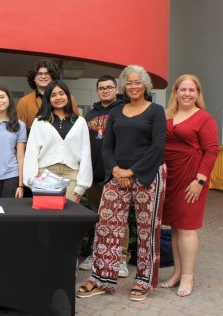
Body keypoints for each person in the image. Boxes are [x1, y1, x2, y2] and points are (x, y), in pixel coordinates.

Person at [77, 65, 166, 301]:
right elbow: (107, 146)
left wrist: (132, 171)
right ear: (123, 86)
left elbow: (158, 147)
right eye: (129, 82)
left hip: (147, 176)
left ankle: (143, 282)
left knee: (147, 231)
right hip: (117, 175)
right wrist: (117, 170)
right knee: (106, 226)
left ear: (145, 85)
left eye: (138, 82)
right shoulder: (116, 112)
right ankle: (100, 280)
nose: (134, 86)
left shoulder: (156, 111)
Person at [159, 74, 219, 297]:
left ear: (198, 94)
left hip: (192, 178)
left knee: (186, 227)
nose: (187, 93)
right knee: (175, 227)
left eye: (191, 90)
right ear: (175, 92)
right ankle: (177, 272)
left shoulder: (204, 118)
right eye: (182, 89)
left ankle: (188, 275)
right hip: (171, 176)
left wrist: (200, 180)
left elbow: (212, 150)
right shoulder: (168, 115)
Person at [79, 75, 130, 278]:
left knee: (119, 218)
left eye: (109, 87)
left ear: (116, 89)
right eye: (102, 88)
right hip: (95, 175)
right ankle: (98, 254)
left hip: (116, 174)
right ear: (97, 90)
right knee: (98, 217)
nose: (106, 91)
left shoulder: (124, 111)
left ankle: (121, 259)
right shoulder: (90, 114)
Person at [23, 80, 92, 202]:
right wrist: (31, 181)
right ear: (48, 99)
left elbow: (86, 153)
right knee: (47, 216)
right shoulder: (39, 122)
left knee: (68, 216)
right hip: (45, 175)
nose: (58, 97)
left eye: (61, 93)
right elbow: (31, 152)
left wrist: (82, 185)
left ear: (68, 96)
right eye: (53, 95)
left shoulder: (80, 122)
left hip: (71, 176)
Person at [17, 59, 79, 131]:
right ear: (33, 78)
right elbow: (20, 133)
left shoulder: (69, 99)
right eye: (39, 74)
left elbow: (76, 125)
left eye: (47, 73)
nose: (43, 77)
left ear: (53, 77)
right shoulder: (24, 102)